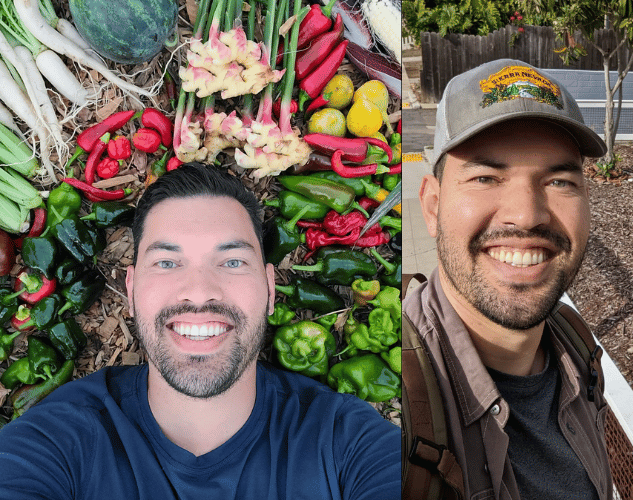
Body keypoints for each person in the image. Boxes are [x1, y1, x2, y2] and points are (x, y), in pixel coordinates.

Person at [0, 163, 401, 499]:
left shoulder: (346, 443)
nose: (199, 292)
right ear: (131, 289)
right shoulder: (57, 443)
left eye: (231, 262)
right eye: (167, 263)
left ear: (270, 289)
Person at [402, 59, 613, 499]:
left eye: (559, 181)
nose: (527, 215)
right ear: (433, 207)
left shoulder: (576, 347)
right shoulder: (403, 397)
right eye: (485, 177)